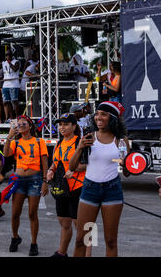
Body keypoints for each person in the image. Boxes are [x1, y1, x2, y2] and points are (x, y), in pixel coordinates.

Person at [69, 101, 129, 257]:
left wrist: (125, 163)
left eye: (103, 114)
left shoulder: (121, 140)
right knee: (82, 239)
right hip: (90, 190)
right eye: (97, 114)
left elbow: (125, 170)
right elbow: (72, 167)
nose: (98, 117)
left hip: (112, 191)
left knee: (110, 241)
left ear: (113, 118)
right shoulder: (89, 137)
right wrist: (80, 147)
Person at [3, 115, 48, 256]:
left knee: (32, 213)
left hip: (35, 180)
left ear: (30, 126)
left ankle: (34, 243)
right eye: (19, 124)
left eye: (24, 123)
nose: (21, 125)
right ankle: (15, 238)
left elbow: (45, 162)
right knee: (15, 213)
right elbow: (5, 154)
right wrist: (9, 138)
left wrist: (45, 181)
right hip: (19, 180)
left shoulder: (39, 141)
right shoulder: (15, 142)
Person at [47, 113, 89, 257]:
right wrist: (50, 170)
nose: (62, 127)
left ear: (74, 126)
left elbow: (86, 164)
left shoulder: (80, 142)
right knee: (64, 223)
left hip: (78, 187)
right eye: (60, 124)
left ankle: (85, 254)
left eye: (66, 124)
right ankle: (62, 253)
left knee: (81, 226)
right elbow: (56, 162)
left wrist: (72, 169)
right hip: (62, 189)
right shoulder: (59, 143)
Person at [2, 50, 21, 121]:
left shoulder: (16, 62)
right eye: (6, 55)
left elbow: (15, 69)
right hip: (5, 85)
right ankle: (11, 117)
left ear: (12, 55)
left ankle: (17, 117)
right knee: (6, 101)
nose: (8, 56)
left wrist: (10, 63)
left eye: (9, 55)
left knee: (14, 101)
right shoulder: (4, 63)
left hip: (13, 84)